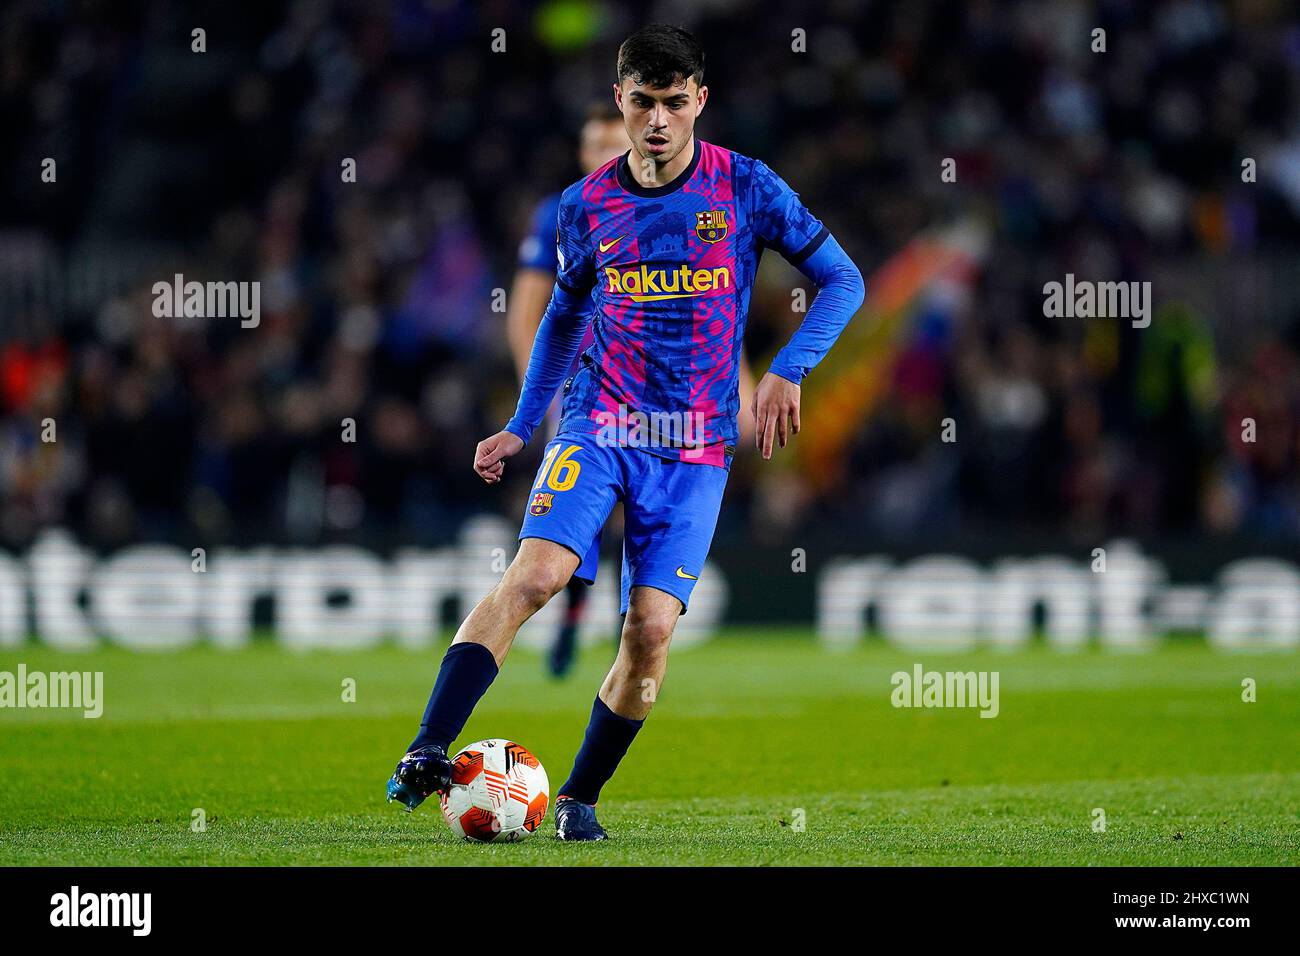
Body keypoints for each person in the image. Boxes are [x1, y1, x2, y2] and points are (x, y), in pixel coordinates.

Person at [388, 23, 865, 841]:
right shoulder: (587, 205)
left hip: (695, 449)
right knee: (536, 574)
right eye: (642, 102)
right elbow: (564, 318)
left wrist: (788, 369)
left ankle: (578, 797)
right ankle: (430, 746)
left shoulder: (746, 188)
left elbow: (842, 279)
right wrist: (520, 423)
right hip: (599, 424)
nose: (656, 121)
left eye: (675, 103)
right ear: (621, 98)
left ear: (699, 102)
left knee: (648, 633)